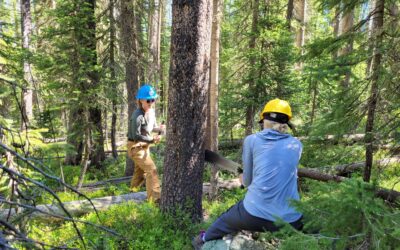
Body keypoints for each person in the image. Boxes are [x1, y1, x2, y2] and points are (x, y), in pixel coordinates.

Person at [192, 98, 303, 249]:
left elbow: (248, 182)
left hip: (254, 214)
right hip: (292, 219)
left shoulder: (252, 140)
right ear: (287, 123)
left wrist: (242, 176)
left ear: (264, 120)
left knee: (225, 220)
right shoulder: (297, 144)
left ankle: (203, 239)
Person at [127, 84, 165, 203]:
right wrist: (152, 140)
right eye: (148, 100)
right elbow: (136, 135)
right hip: (135, 146)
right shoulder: (137, 116)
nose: (150, 103)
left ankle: (131, 197)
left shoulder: (151, 112)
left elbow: (152, 128)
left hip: (145, 146)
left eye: (152, 100)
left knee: (139, 173)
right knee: (151, 169)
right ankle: (155, 200)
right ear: (141, 100)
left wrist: (160, 129)